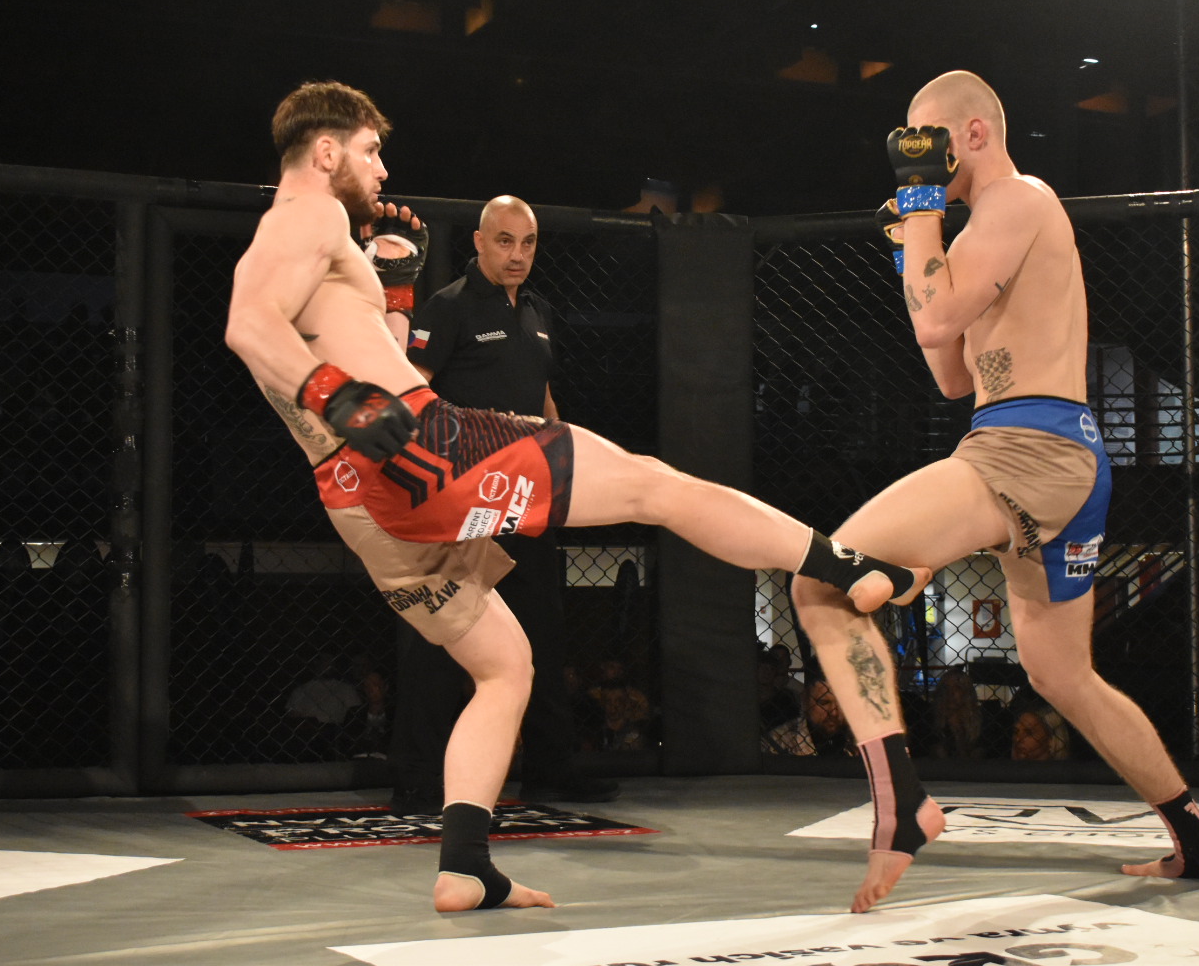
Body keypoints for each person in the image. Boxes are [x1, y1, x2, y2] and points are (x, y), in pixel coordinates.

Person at [223, 79, 929, 913]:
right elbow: (247, 324)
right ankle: (844, 564)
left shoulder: (321, 244)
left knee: (504, 666)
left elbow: (370, 359)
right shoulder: (308, 214)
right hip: (426, 452)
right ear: (326, 151)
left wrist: (399, 295)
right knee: (655, 486)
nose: (381, 169)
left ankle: (464, 864)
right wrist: (338, 395)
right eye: (371, 151)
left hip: (362, 507)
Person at [789, 70, 1199, 913]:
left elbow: (935, 320)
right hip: (1045, 454)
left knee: (819, 578)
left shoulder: (1019, 198)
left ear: (972, 133)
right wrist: (911, 245)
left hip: (1027, 450)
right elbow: (951, 373)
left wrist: (920, 212)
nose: (916, 155)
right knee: (1061, 672)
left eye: (927, 137)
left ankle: (904, 802)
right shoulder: (983, 230)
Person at [390, 195, 617, 814]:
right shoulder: (449, 307)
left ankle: (550, 771)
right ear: (480, 242)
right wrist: (438, 477)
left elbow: (542, 399)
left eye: (528, 242)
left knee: (542, 633)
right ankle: (418, 778)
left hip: (528, 496)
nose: (518, 255)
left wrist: (563, 468)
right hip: (466, 499)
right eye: (505, 241)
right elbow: (413, 392)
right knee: (444, 634)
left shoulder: (539, 311)